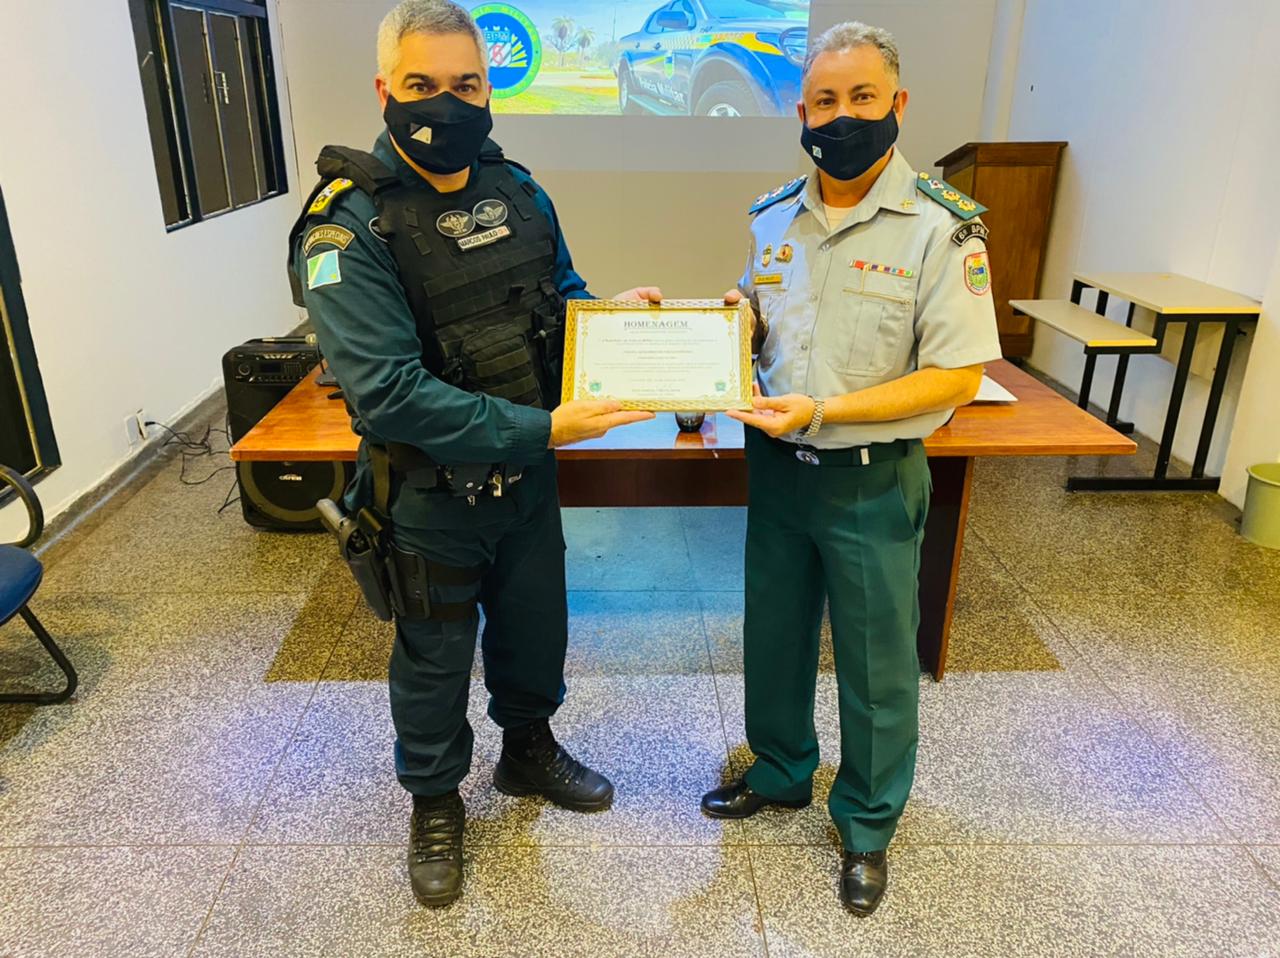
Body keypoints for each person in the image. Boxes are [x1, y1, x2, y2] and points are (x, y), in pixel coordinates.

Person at [289, 0, 661, 907]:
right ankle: (434, 800)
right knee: (434, 656)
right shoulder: (347, 229)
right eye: (422, 85)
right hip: (429, 497)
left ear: (490, 89)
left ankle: (526, 750)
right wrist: (546, 430)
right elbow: (389, 394)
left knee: (536, 631)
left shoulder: (518, 191)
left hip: (526, 482)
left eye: (466, 84)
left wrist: (611, 320)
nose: (445, 104)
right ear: (384, 89)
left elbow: (559, 296)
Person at [701, 21, 1001, 916]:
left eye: (862, 97)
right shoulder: (771, 216)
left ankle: (868, 822)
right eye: (824, 101)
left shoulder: (942, 229)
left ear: (897, 104)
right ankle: (782, 770)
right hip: (778, 471)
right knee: (775, 636)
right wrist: (733, 324)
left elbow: (955, 376)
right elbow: (766, 327)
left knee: (876, 662)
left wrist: (827, 411)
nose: (842, 117)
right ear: (801, 112)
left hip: (870, 476)